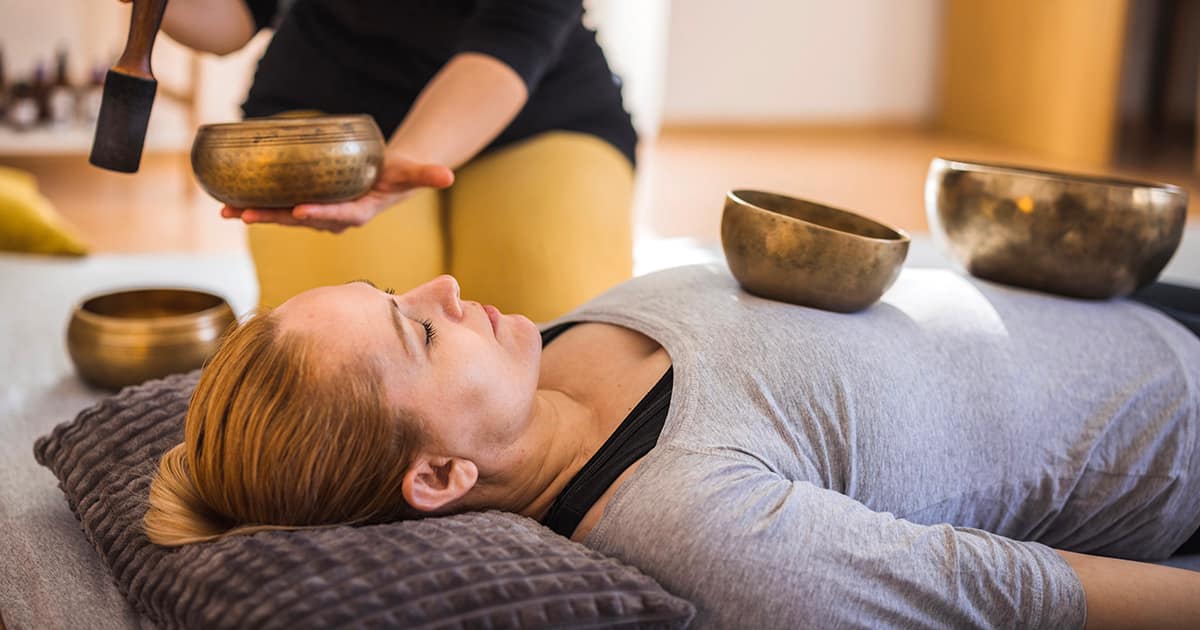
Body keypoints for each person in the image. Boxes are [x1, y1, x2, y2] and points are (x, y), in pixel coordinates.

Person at [143, 263, 1200, 628]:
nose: (445, 290)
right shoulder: (694, 521)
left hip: (1105, 297)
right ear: (438, 476)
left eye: (395, 291)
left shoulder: (541, 357)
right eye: (417, 328)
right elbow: (1008, 596)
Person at [63, 0, 640, 319]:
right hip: (328, 108)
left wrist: (396, 171)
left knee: (548, 346)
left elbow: (515, 33)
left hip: (532, 104)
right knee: (353, 363)